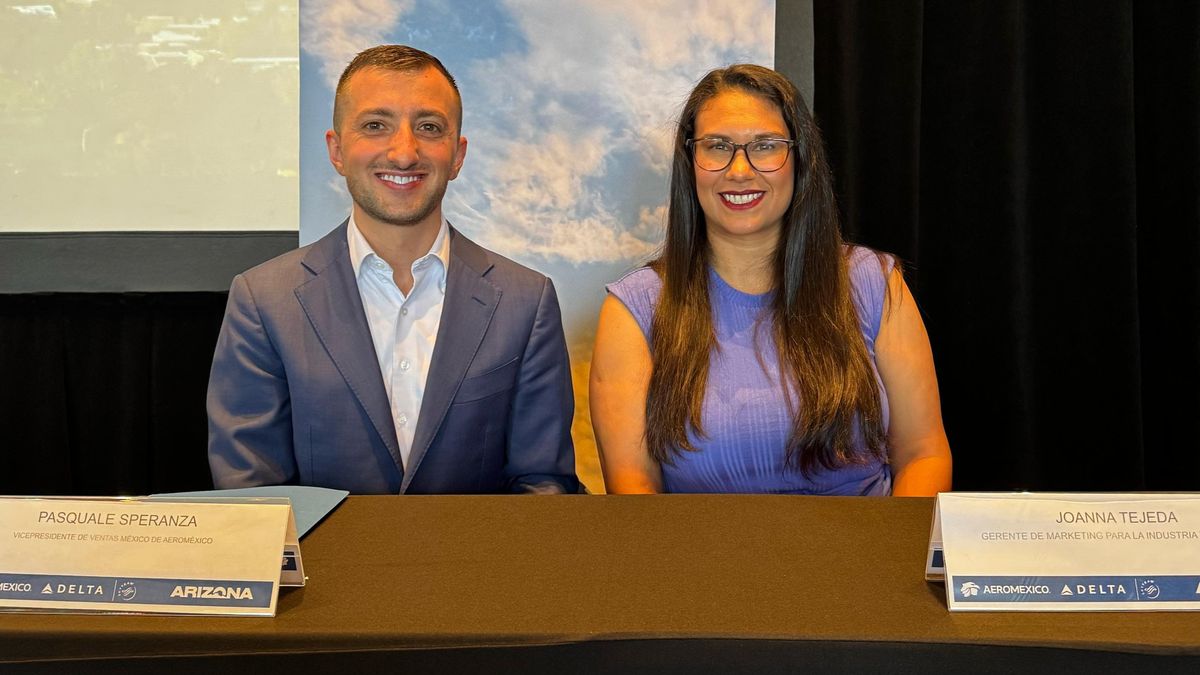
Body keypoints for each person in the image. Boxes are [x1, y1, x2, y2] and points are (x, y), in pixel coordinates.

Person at [207, 45, 579, 495]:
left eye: (429, 127)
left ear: (457, 155)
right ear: (337, 150)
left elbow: (543, 485)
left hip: (477, 566)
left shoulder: (526, 301)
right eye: (375, 126)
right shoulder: (264, 300)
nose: (404, 153)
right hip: (322, 568)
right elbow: (252, 497)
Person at [590, 64, 951, 495]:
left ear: (800, 159)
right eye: (717, 146)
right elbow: (634, 487)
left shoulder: (874, 283)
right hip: (702, 562)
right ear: (690, 162)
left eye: (764, 146)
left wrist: (893, 561)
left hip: (866, 559)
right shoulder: (635, 309)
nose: (739, 170)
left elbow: (923, 454)